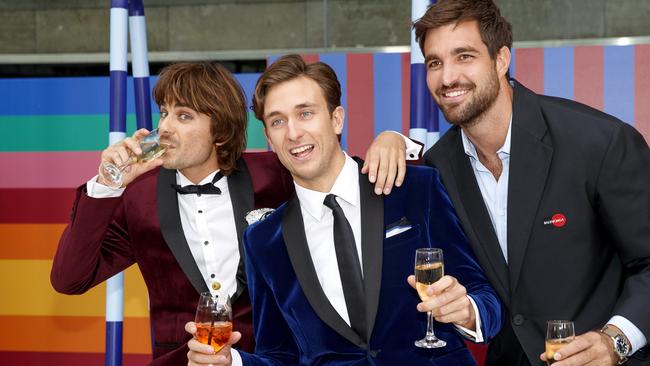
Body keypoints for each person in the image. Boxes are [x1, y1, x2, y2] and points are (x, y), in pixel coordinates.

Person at [49, 62, 410, 365]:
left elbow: (349, 176)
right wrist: (107, 186)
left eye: (183, 116)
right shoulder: (139, 198)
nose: (164, 128)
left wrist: (394, 139)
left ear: (219, 131)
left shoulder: (276, 174)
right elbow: (70, 279)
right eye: (164, 113)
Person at [185, 54, 502, 366]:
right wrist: (234, 363)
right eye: (278, 121)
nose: (293, 132)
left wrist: (468, 310)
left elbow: (484, 294)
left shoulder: (416, 188)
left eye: (306, 113)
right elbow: (279, 355)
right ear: (268, 137)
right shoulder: (262, 241)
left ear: (337, 118)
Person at [413, 1, 650, 365]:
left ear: (501, 58)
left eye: (464, 56)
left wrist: (615, 341)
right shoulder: (438, 168)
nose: (447, 78)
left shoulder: (598, 142)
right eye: (434, 63)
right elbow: (481, 289)